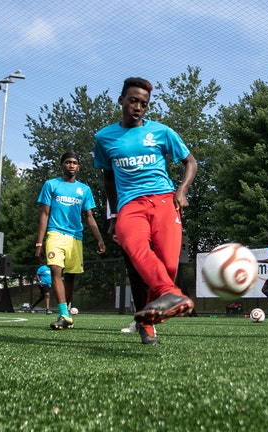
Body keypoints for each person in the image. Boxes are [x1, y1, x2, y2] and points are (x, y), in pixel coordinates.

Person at [94, 77, 197, 344]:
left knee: (169, 264)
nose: (138, 107)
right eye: (133, 101)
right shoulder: (104, 137)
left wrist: (181, 191)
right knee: (137, 252)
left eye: (143, 104)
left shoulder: (162, 132)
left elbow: (190, 162)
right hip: (129, 206)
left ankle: (149, 319)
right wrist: (114, 215)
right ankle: (169, 297)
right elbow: (108, 177)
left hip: (164, 201)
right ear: (121, 101)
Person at [35, 151, 106, 330]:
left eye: (74, 162)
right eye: (67, 162)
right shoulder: (51, 185)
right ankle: (65, 314)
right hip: (55, 234)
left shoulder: (84, 190)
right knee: (55, 270)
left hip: (75, 237)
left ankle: (64, 313)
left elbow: (89, 216)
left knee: (71, 276)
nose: (71, 165)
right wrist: (39, 242)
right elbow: (44, 213)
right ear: (61, 165)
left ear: (79, 167)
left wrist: (100, 239)